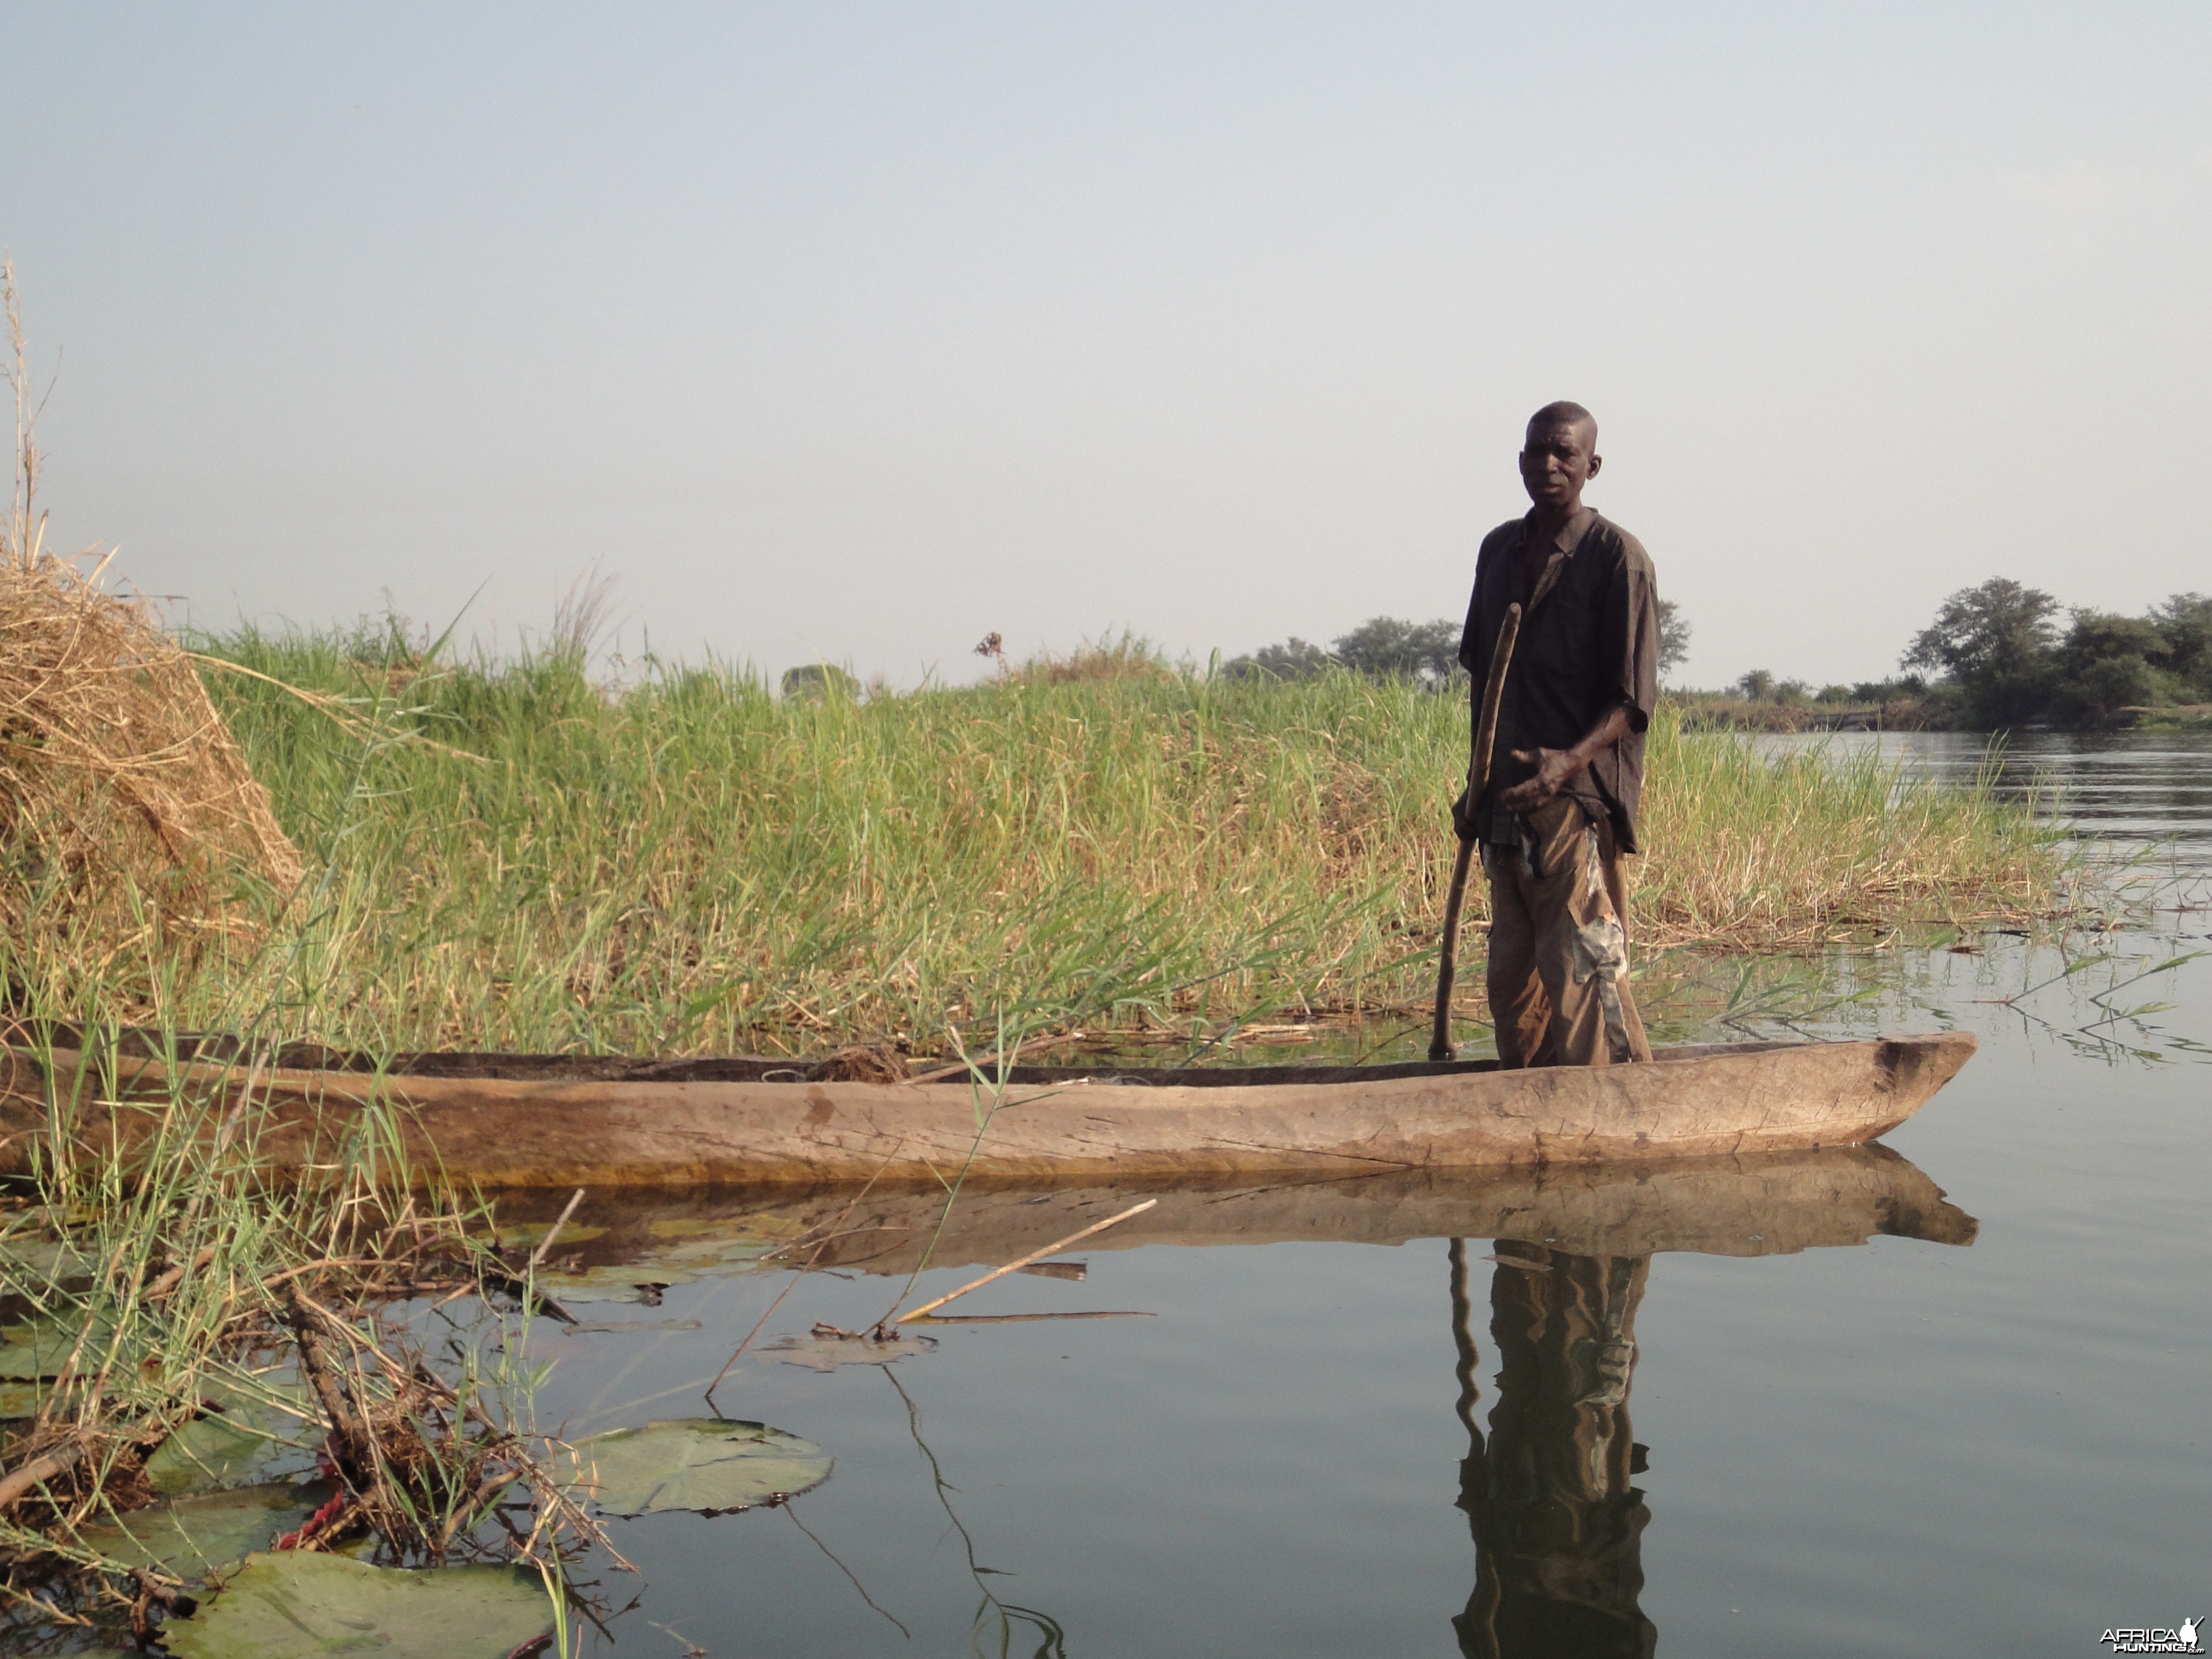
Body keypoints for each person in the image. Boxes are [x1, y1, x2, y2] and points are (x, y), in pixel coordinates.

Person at [1454, 402, 1658, 1068]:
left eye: (1564, 454)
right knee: (1513, 988)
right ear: (1520, 462)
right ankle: (1533, 1114)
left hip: (1574, 804)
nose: (1549, 464)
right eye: (1538, 452)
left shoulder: (1617, 559)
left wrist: (1566, 763)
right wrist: (1474, 787)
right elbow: (1484, 681)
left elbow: (1633, 700)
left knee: (1583, 979)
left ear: (1591, 467)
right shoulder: (1498, 551)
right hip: (1505, 806)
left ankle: (1602, 1105)